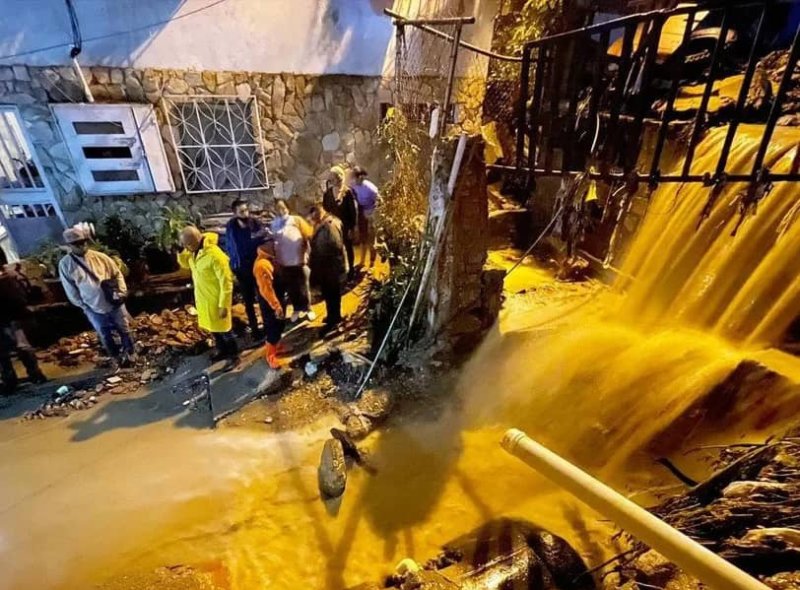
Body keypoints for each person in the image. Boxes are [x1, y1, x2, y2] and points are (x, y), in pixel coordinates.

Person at [59, 227, 136, 365]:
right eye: (77, 244)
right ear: (70, 246)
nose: (82, 246)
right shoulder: (66, 264)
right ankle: (116, 358)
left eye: (83, 242)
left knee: (124, 329)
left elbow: (117, 273)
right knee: (105, 334)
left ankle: (131, 353)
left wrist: (122, 292)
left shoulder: (100, 257)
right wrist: (83, 305)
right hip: (92, 306)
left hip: (113, 302)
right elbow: (70, 288)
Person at [178, 226, 239, 366]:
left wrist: (224, 305)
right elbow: (184, 264)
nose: (186, 248)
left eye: (187, 245)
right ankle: (221, 350)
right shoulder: (194, 252)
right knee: (214, 329)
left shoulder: (215, 255)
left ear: (194, 242)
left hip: (216, 300)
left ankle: (234, 356)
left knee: (225, 331)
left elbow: (226, 282)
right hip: (204, 299)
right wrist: (180, 252)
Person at [225, 198, 270, 340]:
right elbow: (233, 247)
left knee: (263, 297)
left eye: (246, 210)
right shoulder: (231, 227)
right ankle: (255, 330)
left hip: (256, 266)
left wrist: (255, 239)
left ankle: (269, 326)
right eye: (241, 211)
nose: (245, 214)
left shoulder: (254, 222)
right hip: (242, 270)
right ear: (235, 213)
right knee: (248, 302)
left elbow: (264, 235)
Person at [0, 266, 46, 393]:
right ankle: (35, 375)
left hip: (12, 318)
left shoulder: (7, 279)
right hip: (16, 318)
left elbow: (17, 299)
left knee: (6, 353)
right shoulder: (12, 277)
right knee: (21, 348)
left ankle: (11, 381)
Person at [270, 200, 316, 322]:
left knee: (304, 286)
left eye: (283, 207)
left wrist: (306, 255)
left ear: (287, 208)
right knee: (291, 288)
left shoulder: (296, 220)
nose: (281, 210)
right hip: (284, 263)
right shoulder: (274, 224)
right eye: (278, 208)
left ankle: (308, 309)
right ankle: (296, 309)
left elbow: (308, 236)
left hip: (299, 260)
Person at [309, 201, 348, 333]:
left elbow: (336, 246)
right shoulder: (323, 224)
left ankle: (334, 319)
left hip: (331, 267)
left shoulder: (331, 225)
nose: (313, 220)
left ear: (320, 212)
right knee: (328, 293)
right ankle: (332, 316)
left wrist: (321, 257)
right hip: (325, 267)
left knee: (333, 294)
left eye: (314, 217)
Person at [253, 240, 285, 369]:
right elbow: (267, 290)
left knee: (279, 325)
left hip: (276, 298)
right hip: (269, 302)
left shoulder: (269, 260)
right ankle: (271, 355)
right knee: (273, 327)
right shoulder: (262, 265)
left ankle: (276, 345)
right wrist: (276, 306)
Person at [323, 166, 358, 276]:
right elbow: (325, 209)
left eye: (332, 177)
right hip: (334, 227)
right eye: (330, 178)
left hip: (346, 225)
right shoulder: (327, 194)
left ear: (339, 177)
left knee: (348, 247)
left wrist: (352, 228)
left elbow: (352, 212)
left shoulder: (347, 193)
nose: (330, 180)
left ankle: (351, 270)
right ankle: (340, 270)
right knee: (336, 249)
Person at [349, 165, 379, 268]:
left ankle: (372, 263)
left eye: (355, 177)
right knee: (362, 238)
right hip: (362, 213)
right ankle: (362, 261)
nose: (353, 180)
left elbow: (380, 202)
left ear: (361, 177)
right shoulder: (353, 185)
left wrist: (372, 215)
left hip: (371, 214)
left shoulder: (371, 189)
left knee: (371, 240)